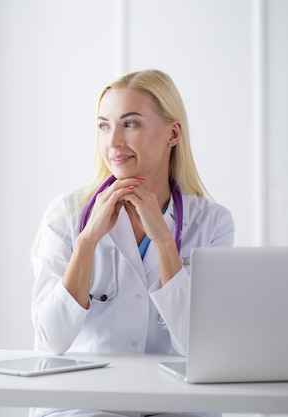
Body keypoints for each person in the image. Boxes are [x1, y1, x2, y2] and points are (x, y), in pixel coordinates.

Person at [30, 69, 235, 417]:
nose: (113, 142)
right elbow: (51, 340)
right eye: (104, 126)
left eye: (130, 124)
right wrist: (87, 241)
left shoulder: (212, 222)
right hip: (85, 405)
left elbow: (200, 348)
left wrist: (164, 242)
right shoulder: (67, 214)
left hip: (176, 406)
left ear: (173, 133)